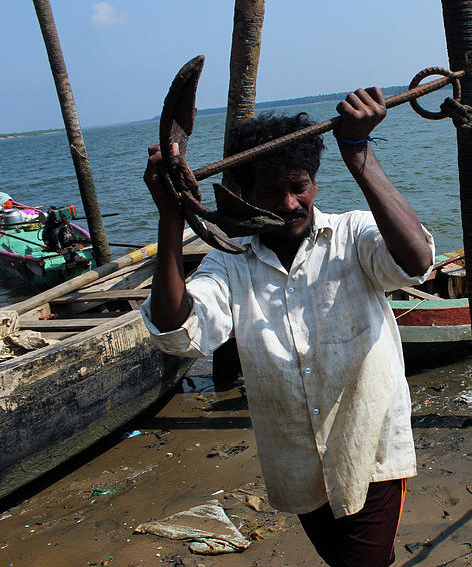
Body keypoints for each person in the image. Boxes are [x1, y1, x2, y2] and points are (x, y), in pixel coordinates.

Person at [140, 86, 435, 567]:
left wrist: (358, 152)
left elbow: (417, 261)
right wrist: (171, 216)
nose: (290, 202)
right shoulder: (229, 264)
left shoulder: (353, 234)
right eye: (271, 191)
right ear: (242, 193)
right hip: (296, 463)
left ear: (315, 181)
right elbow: (179, 330)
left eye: (300, 186)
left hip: (370, 448)